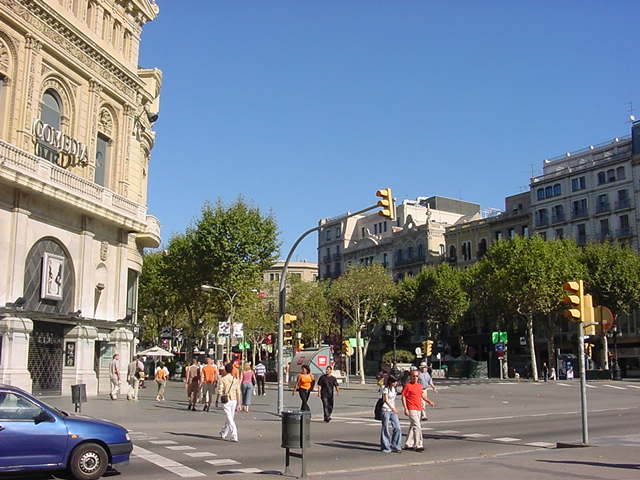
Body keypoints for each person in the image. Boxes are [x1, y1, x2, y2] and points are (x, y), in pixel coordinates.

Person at [402, 368, 432, 452]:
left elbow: (422, 395)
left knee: (413, 426)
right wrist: (405, 408)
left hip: (418, 408)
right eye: (413, 376)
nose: (415, 377)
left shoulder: (419, 386)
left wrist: (428, 401)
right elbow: (403, 397)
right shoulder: (408, 386)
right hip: (411, 408)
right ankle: (418, 444)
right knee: (417, 426)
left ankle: (408, 443)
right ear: (410, 377)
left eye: (416, 376)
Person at [217, 363, 242, 442]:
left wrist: (218, 399)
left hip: (226, 400)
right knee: (230, 417)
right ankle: (224, 432)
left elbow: (220, 390)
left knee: (230, 418)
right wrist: (239, 403)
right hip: (234, 400)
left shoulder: (223, 379)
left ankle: (234, 435)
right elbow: (238, 392)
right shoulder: (235, 379)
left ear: (225, 370)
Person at [380, 375, 402, 453]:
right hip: (386, 410)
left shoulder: (394, 389)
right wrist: (392, 408)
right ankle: (385, 447)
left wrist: (394, 408)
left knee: (397, 427)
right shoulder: (386, 389)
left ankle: (395, 445)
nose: (396, 383)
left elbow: (393, 400)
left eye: (396, 382)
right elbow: (385, 400)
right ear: (390, 382)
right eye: (394, 382)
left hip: (392, 411)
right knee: (385, 428)